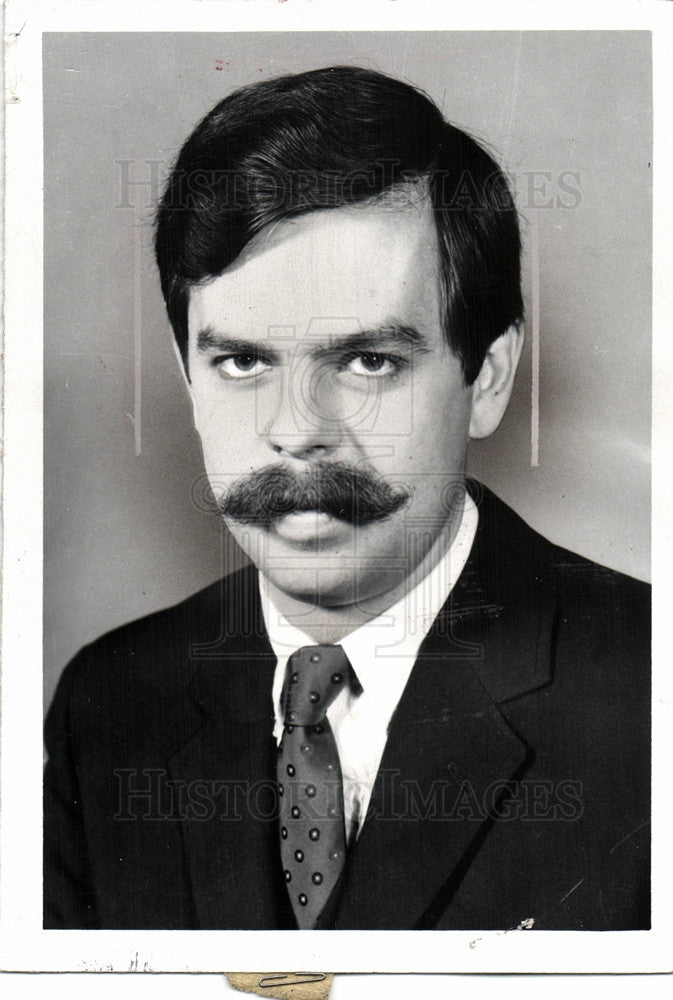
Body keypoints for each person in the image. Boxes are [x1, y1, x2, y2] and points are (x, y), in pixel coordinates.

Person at [43, 66, 650, 931]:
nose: (297, 433)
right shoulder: (108, 703)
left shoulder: (643, 694)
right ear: (186, 377)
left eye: (368, 362)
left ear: (487, 378)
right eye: (242, 363)